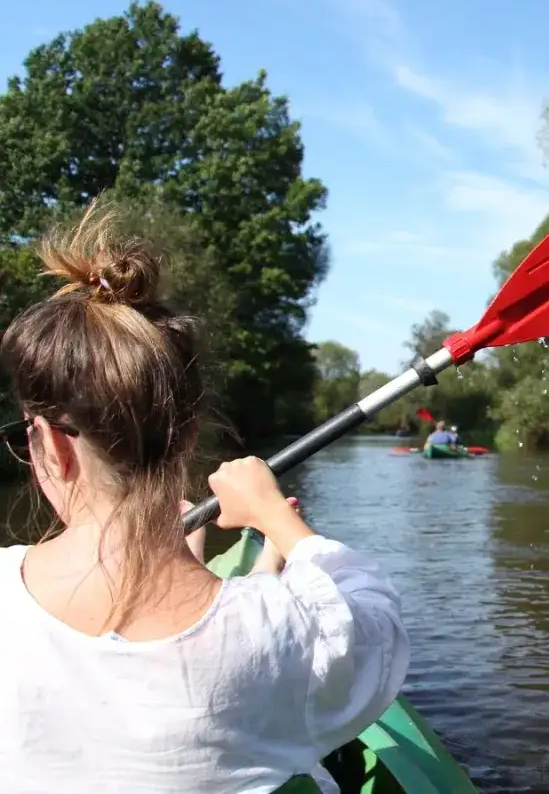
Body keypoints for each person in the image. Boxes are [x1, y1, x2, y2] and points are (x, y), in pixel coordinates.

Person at [0, 205, 409, 793]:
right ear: (189, 434)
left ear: (52, 449)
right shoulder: (277, 637)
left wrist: (186, 560)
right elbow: (376, 621)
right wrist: (274, 519)